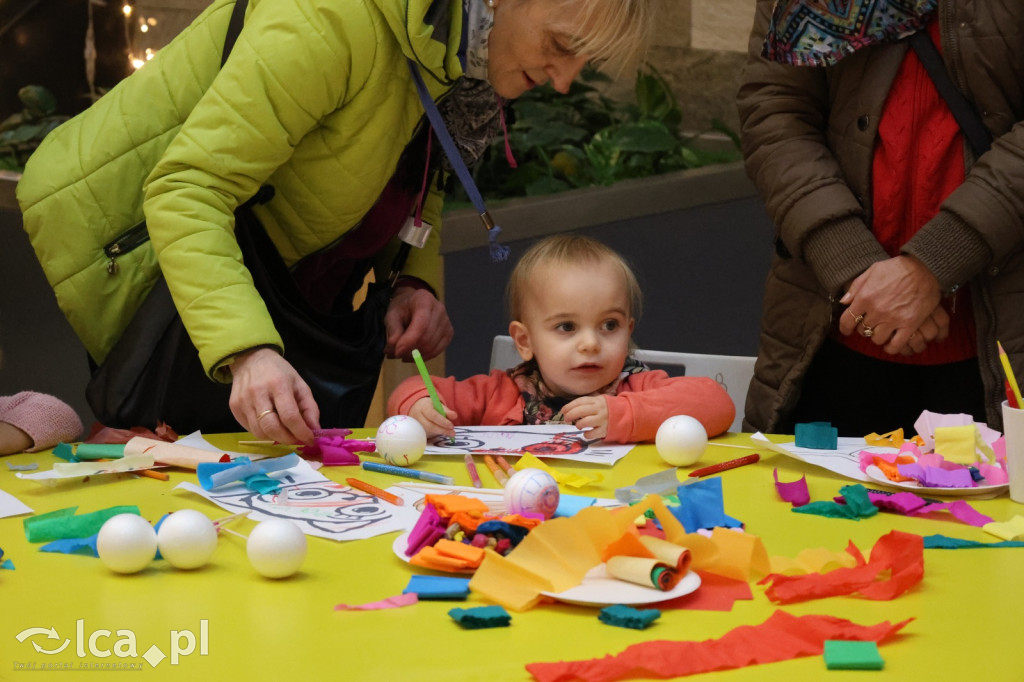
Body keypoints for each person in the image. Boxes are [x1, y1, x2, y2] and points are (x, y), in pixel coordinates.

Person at [16, 0, 657, 446]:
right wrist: (246, 350)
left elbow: (414, 159)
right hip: (130, 244)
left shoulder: (455, 39)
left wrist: (415, 282)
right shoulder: (329, 20)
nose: (566, 80)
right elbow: (189, 188)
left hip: (259, 268)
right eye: (562, 46)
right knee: (172, 462)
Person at [737, 0, 1024, 436]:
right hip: (833, 330)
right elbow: (775, 109)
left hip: (1001, 334)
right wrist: (849, 262)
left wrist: (932, 264)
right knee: (813, 502)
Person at [388, 234, 736, 442]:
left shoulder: (636, 388)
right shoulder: (499, 394)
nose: (590, 343)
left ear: (629, 332)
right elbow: (411, 389)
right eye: (567, 327)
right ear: (524, 341)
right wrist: (417, 408)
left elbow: (717, 403)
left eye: (609, 325)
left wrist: (626, 414)